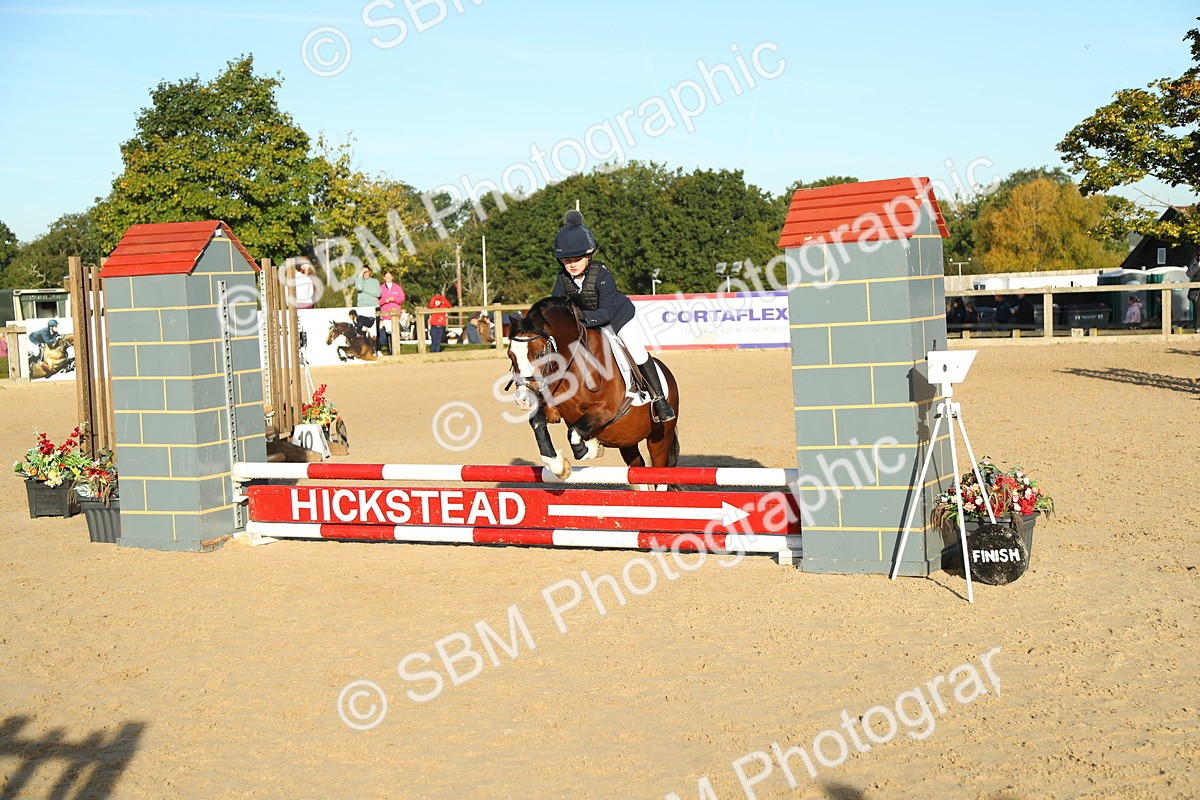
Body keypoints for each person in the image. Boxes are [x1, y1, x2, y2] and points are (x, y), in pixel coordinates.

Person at [550, 210, 675, 422]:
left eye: (577, 258)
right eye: (566, 259)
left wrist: (579, 319)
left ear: (589, 255)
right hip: (587, 324)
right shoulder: (562, 280)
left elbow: (606, 313)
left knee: (636, 351)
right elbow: (555, 309)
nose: (571, 264)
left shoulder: (602, 274)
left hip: (617, 319)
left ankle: (660, 400)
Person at [377, 271, 405, 355]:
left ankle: (395, 350)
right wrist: (385, 300)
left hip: (395, 314)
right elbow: (377, 301)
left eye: (390, 276)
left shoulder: (397, 287)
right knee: (388, 331)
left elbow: (402, 298)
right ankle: (390, 350)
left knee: (395, 331)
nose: (388, 278)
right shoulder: (381, 288)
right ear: (384, 278)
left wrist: (394, 299)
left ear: (392, 277)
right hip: (385, 314)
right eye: (386, 276)